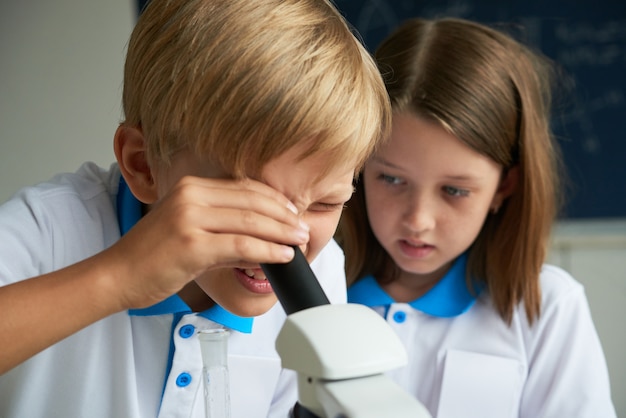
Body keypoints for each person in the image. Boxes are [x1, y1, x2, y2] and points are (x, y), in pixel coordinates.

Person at [0, 0, 390, 417]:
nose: (287, 239)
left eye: (325, 204)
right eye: (254, 203)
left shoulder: (322, 274)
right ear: (143, 164)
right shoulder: (48, 233)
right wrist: (118, 278)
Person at [338, 17, 616, 418]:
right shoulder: (311, 288)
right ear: (359, 168)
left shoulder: (545, 307)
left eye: (454, 191)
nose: (418, 220)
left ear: (504, 187)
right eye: (392, 179)